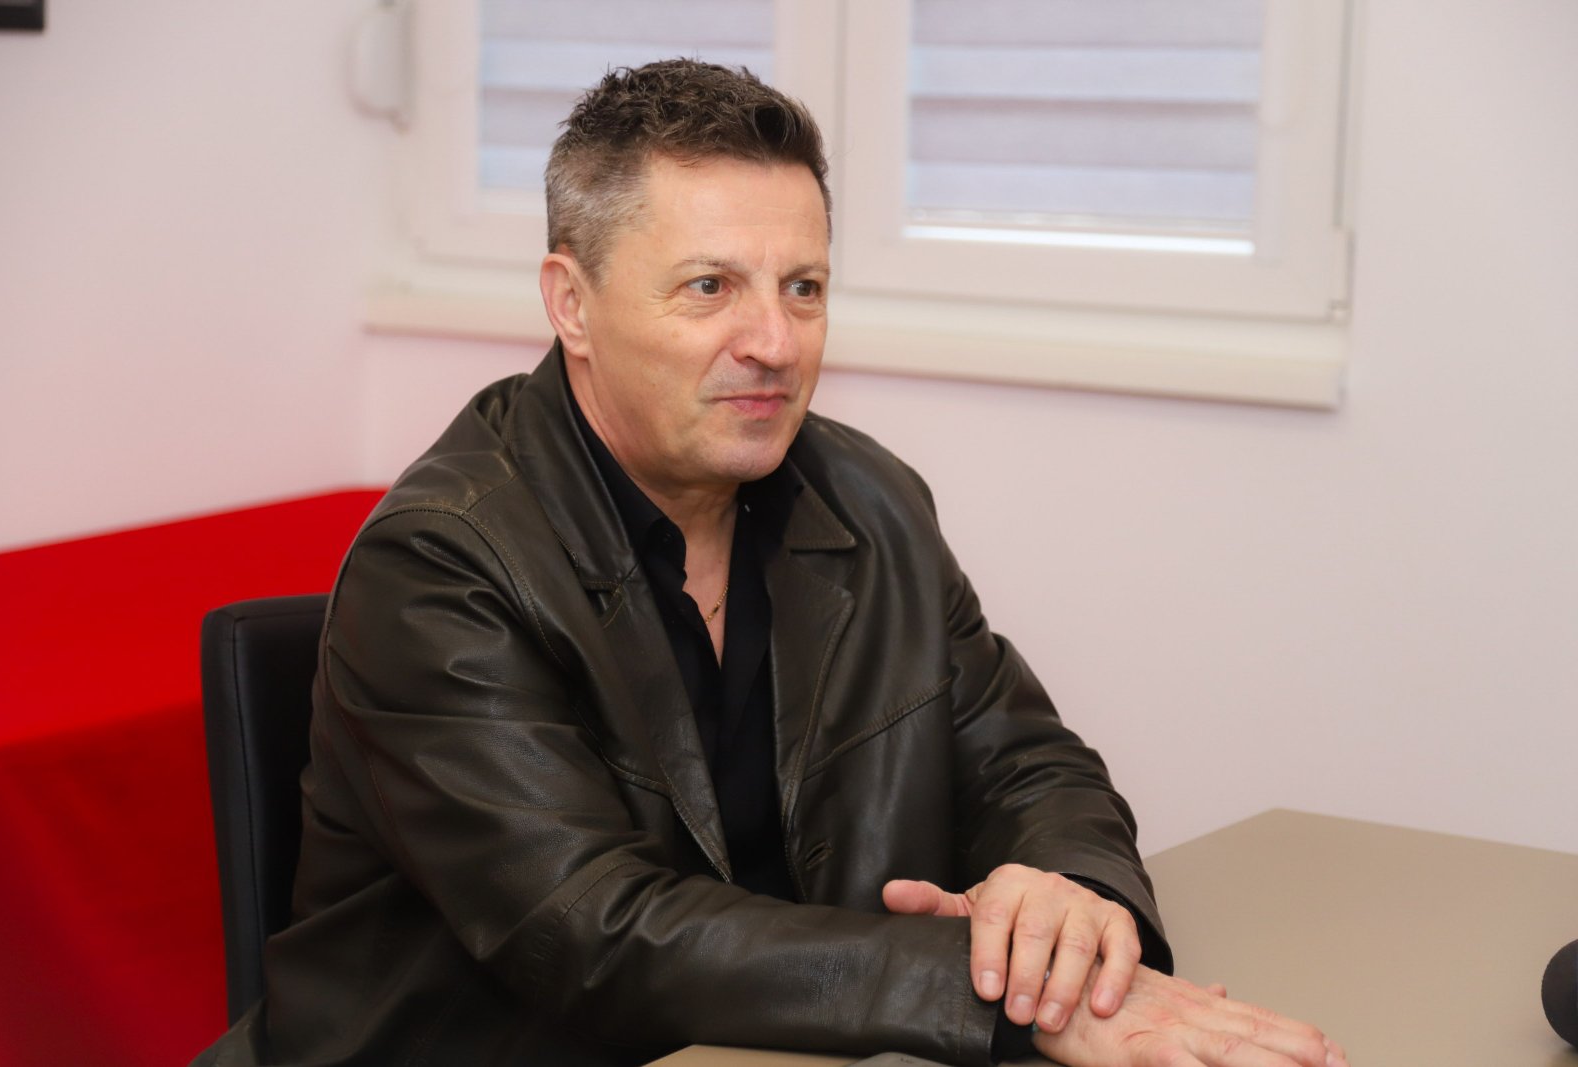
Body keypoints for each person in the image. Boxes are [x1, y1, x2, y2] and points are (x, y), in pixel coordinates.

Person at [194, 60, 1346, 1067]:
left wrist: (1066, 907)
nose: (775, 343)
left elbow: (1027, 762)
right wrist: (998, 1000)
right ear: (571, 304)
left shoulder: (869, 500)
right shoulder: (440, 562)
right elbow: (595, 930)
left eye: (804, 286)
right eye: (710, 286)